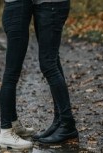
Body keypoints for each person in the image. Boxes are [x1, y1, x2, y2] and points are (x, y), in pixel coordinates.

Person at [32, 0, 78, 145]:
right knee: (52, 60)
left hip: (52, 6)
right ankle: (60, 121)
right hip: (44, 6)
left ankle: (67, 124)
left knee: (48, 64)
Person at [0, 0, 37, 150]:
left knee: (13, 74)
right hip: (17, 13)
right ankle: (6, 132)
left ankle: (13, 123)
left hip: (16, 11)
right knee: (11, 75)